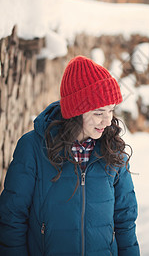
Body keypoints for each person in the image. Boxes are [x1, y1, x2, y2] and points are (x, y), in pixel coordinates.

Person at [0, 55, 140, 256]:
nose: (107, 122)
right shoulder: (33, 148)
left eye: (111, 111)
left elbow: (125, 221)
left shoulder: (113, 151)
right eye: (99, 113)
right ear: (76, 111)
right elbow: (11, 217)